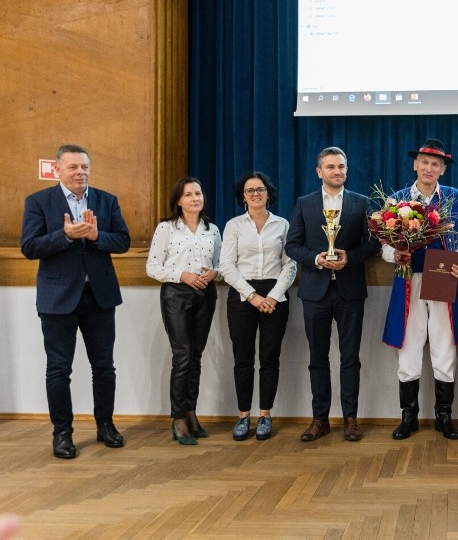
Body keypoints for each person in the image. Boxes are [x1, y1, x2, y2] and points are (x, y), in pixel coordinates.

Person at [21, 144, 131, 459]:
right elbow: (29, 246)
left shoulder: (106, 200)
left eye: (84, 167)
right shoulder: (39, 202)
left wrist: (97, 237)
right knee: (58, 369)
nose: (80, 172)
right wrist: (66, 235)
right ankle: (62, 434)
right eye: (73, 167)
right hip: (57, 300)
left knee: (104, 367)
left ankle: (105, 425)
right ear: (57, 170)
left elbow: (122, 241)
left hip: (99, 297)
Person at [286, 147, 380, 442]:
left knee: (350, 358)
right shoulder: (304, 204)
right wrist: (317, 259)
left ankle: (350, 419)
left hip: (350, 291)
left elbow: (373, 244)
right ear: (319, 172)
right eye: (330, 167)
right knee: (318, 358)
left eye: (341, 166)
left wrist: (348, 257)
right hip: (315, 291)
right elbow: (292, 245)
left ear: (346, 170)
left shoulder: (362, 203)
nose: (336, 171)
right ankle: (320, 419)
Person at [382, 138, 458, 441]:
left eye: (435, 164)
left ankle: (443, 417)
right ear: (415, 165)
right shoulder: (396, 200)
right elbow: (384, 245)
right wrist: (395, 254)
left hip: (443, 275)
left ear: (443, 169)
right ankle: (408, 417)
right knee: (409, 344)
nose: (429, 168)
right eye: (424, 162)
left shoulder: (454, 197)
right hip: (409, 278)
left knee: (444, 346)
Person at [220, 172, 296, 441]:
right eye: (249, 190)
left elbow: (290, 264)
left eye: (260, 189)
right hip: (242, 295)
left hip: (276, 296)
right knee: (243, 359)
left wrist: (273, 296)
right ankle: (243, 416)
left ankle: (264, 414)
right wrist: (253, 296)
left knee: (269, 358)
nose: (255, 194)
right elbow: (226, 265)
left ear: (268, 193)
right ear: (243, 196)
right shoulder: (234, 226)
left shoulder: (283, 225)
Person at [146, 177, 221, 445]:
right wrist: (182, 275)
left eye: (198, 193)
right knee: (183, 355)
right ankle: (178, 418)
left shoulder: (212, 229)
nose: (195, 198)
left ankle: (191, 411)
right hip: (176, 295)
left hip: (205, 295)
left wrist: (216, 272)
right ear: (178, 200)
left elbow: (220, 263)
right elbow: (152, 267)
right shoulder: (166, 228)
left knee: (196, 356)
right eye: (188, 195)